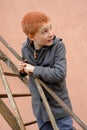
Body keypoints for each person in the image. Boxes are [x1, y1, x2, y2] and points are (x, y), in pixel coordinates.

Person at [18, 11, 74, 130]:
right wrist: (23, 71)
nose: (51, 34)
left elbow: (60, 74)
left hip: (59, 106)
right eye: (45, 32)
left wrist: (34, 69)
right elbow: (29, 71)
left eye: (50, 28)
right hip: (40, 110)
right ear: (31, 37)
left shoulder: (58, 46)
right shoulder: (25, 49)